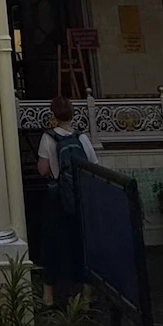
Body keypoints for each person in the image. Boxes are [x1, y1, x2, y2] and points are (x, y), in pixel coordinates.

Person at [37, 96, 99, 306]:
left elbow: (43, 169)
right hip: (79, 197)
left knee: (53, 243)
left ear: (53, 115)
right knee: (80, 242)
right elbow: (94, 165)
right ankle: (86, 293)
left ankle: (49, 294)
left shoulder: (49, 138)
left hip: (57, 199)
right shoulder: (81, 138)